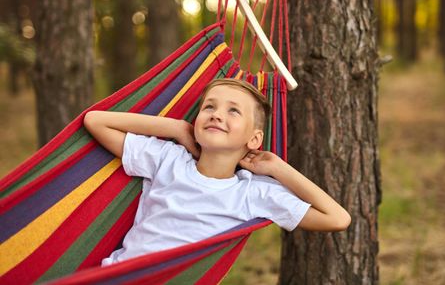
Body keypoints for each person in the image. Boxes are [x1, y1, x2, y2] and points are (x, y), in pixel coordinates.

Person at [83, 78, 351, 266]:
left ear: (255, 139)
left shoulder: (252, 192)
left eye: (233, 111)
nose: (216, 115)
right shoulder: (168, 159)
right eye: (209, 107)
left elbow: (338, 218)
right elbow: (95, 121)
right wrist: (177, 128)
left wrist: (278, 168)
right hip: (116, 275)